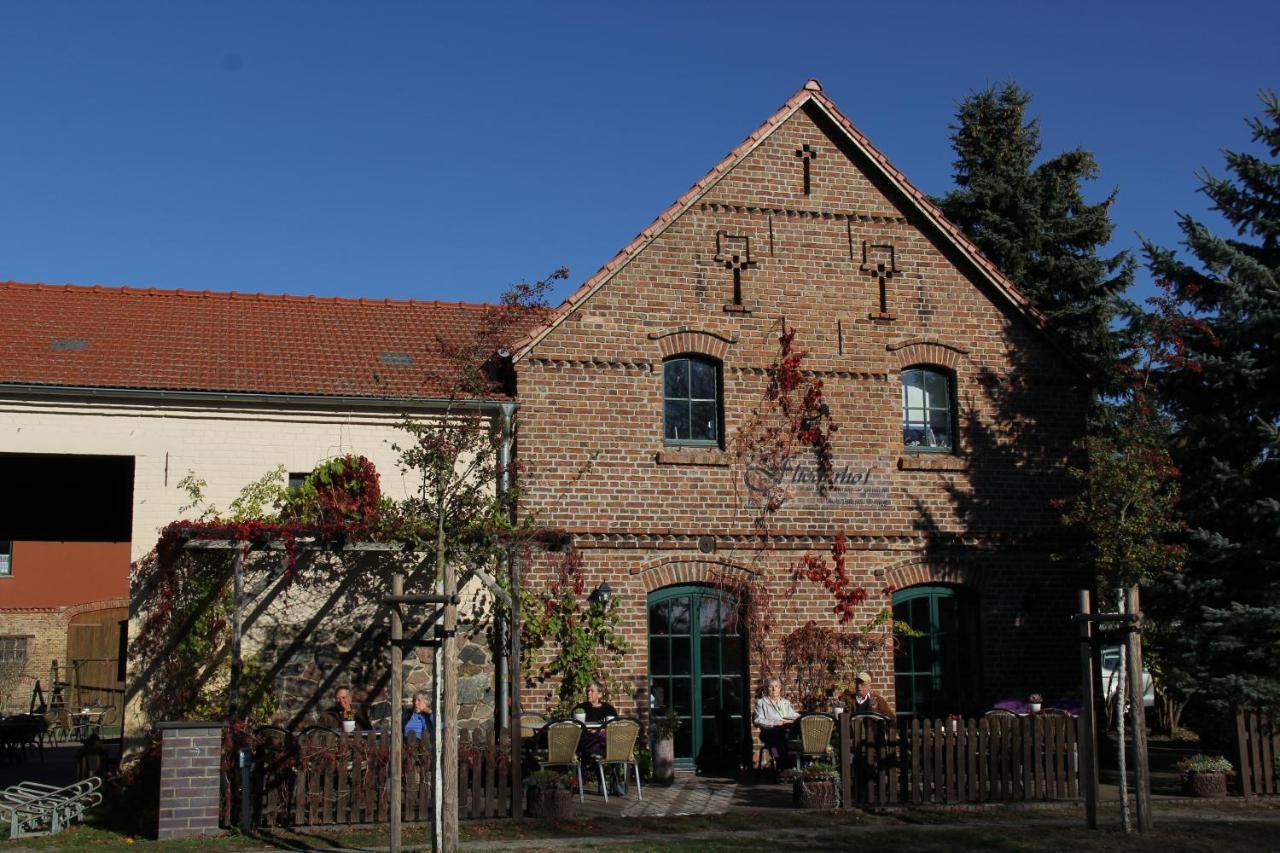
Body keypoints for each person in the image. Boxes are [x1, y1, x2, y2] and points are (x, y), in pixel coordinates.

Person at [753, 675, 799, 769]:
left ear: (780, 688)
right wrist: (776, 722)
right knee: (774, 746)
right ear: (766, 689)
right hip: (769, 732)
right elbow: (757, 720)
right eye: (771, 687)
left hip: (785, 732)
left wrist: (798, 718)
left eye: (777, 686)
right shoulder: (761, 703)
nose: (774, 689)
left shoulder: (785, 702)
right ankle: (778, 760)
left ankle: (794, 764)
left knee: (795, 740)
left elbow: (793, 715)